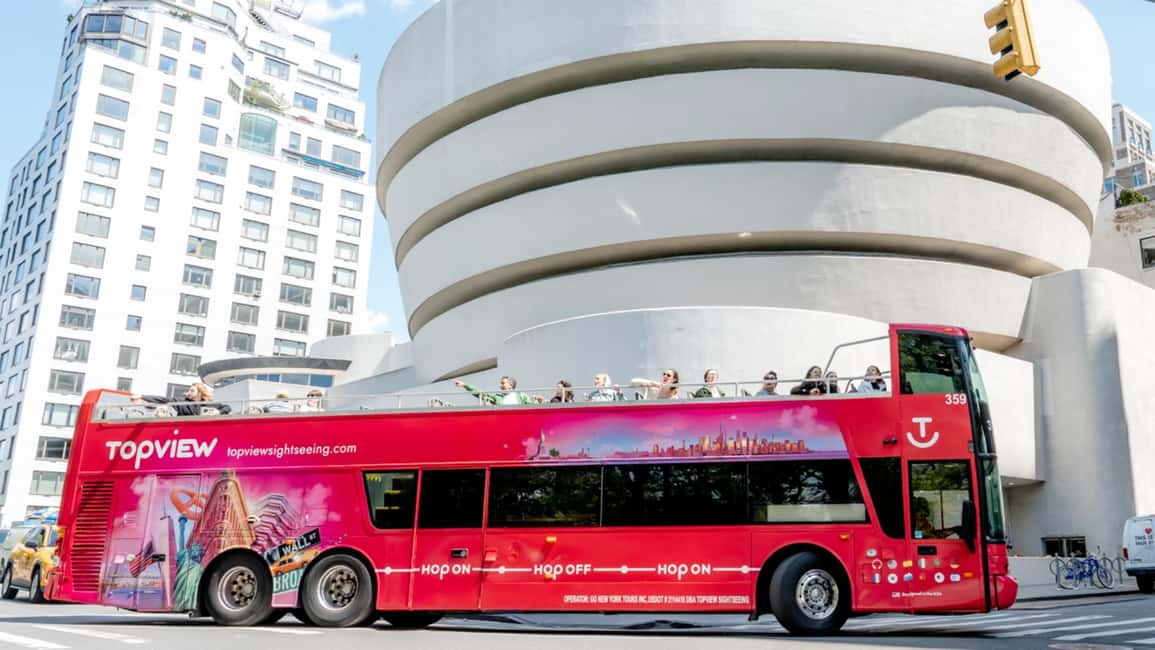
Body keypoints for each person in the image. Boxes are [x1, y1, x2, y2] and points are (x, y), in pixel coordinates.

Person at [136, 383, 232, 416]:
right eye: (189, 390)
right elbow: (163, 400)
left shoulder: (209, 404)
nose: (189, 392)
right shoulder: (181, 402)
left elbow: (227, 407)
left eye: (192, 390)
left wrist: (218, 412)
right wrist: (142, 396)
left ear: (199, 392)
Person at [453, 376, 533, 405]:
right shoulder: (498, 397)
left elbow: (533, 407)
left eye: (503, 383)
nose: (500, 386)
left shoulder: (521, 396)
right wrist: (465, 386)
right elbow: (481, 394)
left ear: (510, 385)